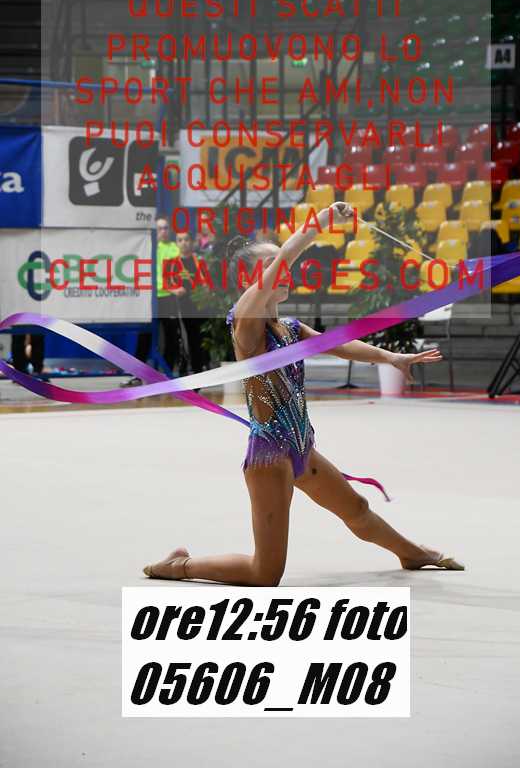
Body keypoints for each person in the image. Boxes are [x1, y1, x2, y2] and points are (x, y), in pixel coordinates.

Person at [143, 202, 464, 585]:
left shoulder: (290, 328)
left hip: (300, 447)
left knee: (357, 508)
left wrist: (391, 357)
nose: (285, 272)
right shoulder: (245, 324)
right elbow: (285, 259)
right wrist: (322, 221)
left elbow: (339, 344)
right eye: (273, 266)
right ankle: (181, 565)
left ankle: (411, 553)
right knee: (265, 574)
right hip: (269, 457)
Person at [121, 216, 184, 387]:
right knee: (144, 336)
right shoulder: (146, 248)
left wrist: (174, 288)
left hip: (167, 299)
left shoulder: (174, 249)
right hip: (149, 300)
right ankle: (136, 375)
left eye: (166, 228)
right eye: (160, 228)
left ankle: (168, 374)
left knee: (171, 336)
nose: (163, 231)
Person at [173, 232, 210, 374]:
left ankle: (205, 365)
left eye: (186, 239)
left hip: (201, 304)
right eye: (180, 240)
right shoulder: (173, 263)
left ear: (192, 242)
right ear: (176, 243)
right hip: (184, 305)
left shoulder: (199, 260)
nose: (184, 243)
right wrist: (175, 290)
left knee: (203, 336)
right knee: (190, 337)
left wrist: (206, 288)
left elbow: (208, 281)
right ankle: (195, 368)